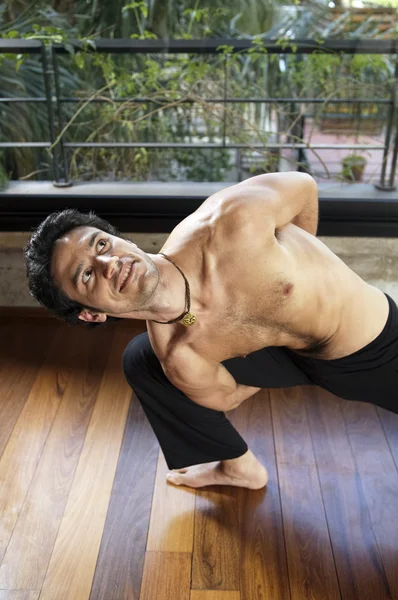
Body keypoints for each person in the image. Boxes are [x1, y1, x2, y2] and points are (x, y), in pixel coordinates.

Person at [24, 172, 398, 490]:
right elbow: (226, 396)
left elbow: (303, 186)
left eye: (102, 244)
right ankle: (239, 468)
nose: (109, 263)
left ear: (124, 240)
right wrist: (246, 344)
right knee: (143, 360)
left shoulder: (229, 222)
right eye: (87, 274)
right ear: (91, 315)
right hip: (296, 357)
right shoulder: (179, 355)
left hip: (377, 345)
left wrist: (302, 260)